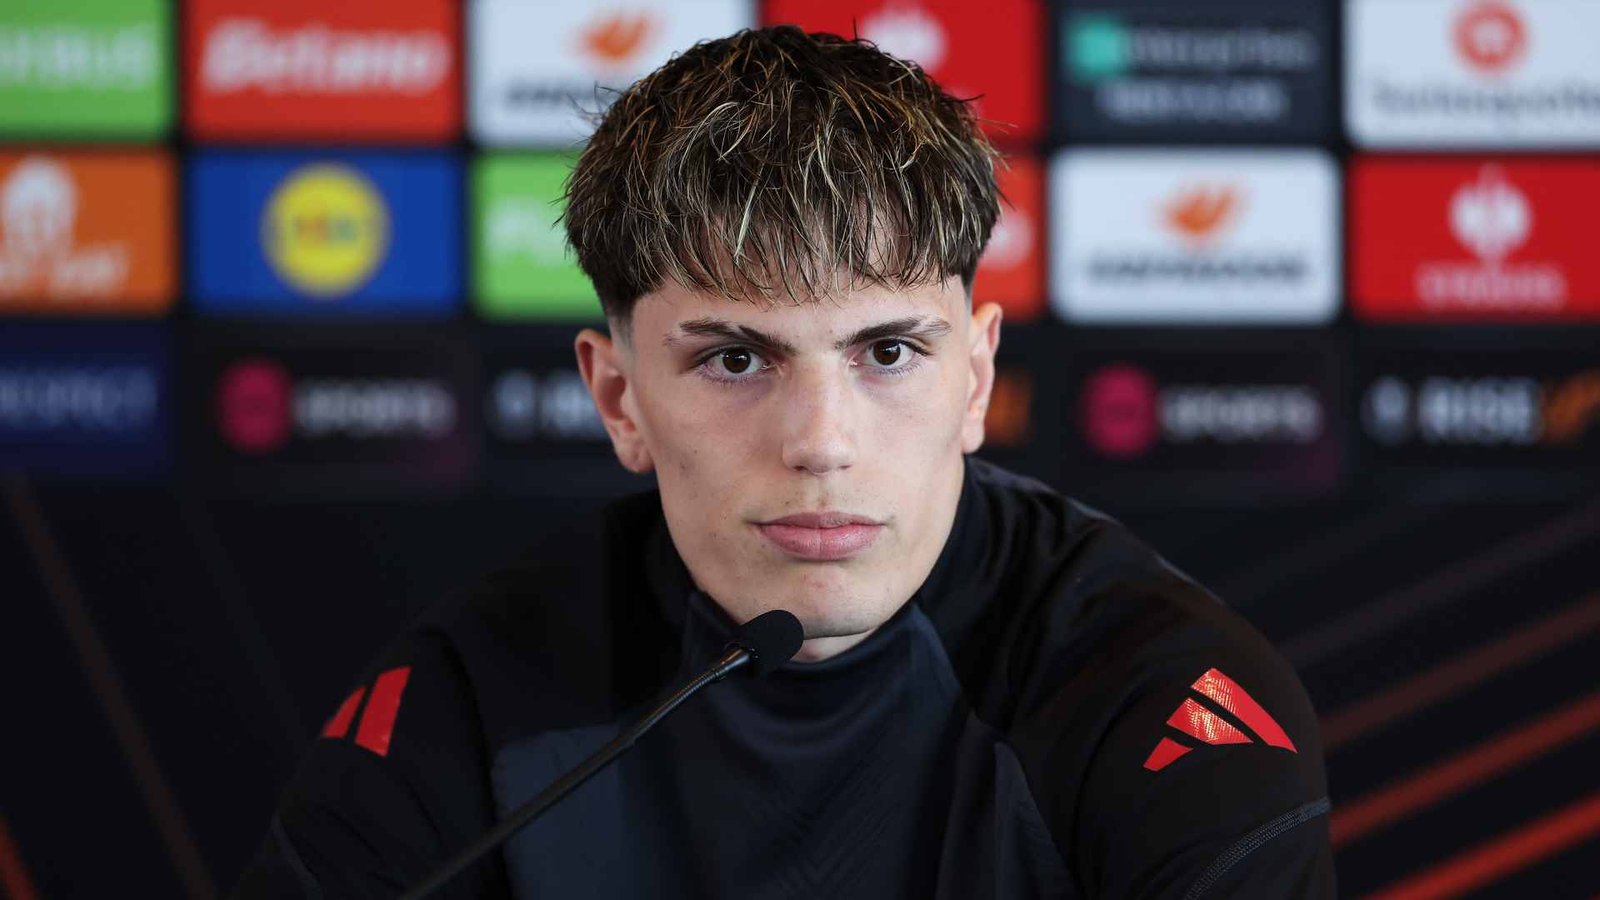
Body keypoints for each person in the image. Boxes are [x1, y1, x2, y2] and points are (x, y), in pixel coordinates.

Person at [234, 25, 1335, 899]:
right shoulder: (472, 702)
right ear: (618, 399)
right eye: (734, 359)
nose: (820, 443)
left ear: (974, 379)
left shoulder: (1154, 700)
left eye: (888, 353)